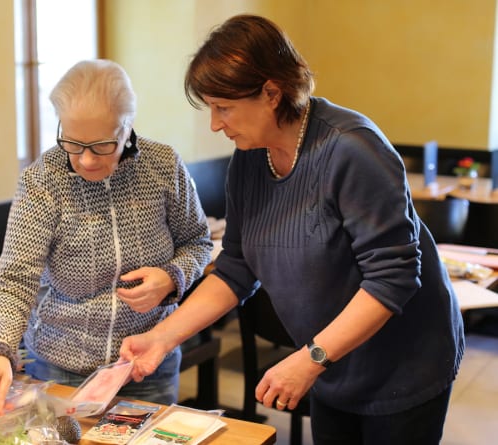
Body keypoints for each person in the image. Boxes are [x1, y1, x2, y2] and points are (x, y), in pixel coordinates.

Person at [120, 14, 464, 445]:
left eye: (224, 107)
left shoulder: (352, 150)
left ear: (271, 92)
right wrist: (160, 338)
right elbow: (236, 268)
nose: (215, 123)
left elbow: (392, 278)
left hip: (401, 361)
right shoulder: (250, 156)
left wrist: (312, 358)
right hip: (330, 361)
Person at [0, 59, 213, 414]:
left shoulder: (163, 166)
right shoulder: (44, 179)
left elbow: (198, 242)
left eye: (102, 145)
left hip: (147, 362)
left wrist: (171, 278)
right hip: (59, 366)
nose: (85, 160)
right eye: (72, 142)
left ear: (126, 127)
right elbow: (14, 278)